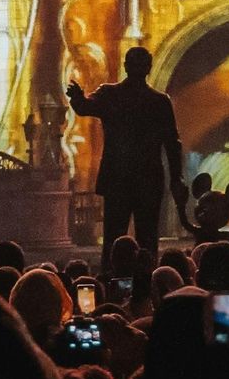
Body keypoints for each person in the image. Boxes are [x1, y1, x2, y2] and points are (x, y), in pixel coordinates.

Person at [66, 50, 189, 269]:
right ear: (149, 68)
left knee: (116, 238)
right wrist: (176, 177)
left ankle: (111, 279)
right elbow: (172, 143)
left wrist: (77, 99)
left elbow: (85, 107)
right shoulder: (158, 101)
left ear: (125, 65)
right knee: (146, 240)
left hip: (120, 178)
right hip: (145, 179)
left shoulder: (111, 94)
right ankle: (147, 279)